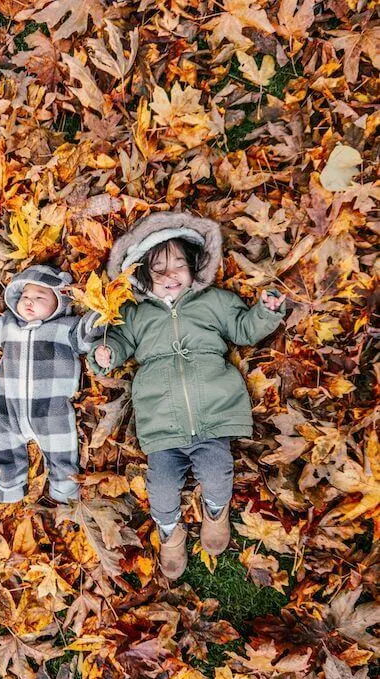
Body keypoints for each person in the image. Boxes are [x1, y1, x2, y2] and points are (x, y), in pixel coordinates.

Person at [88, 212, 286, 580]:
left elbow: (243, 329)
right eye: (159, 268)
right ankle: (170, 532)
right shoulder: (135, 313)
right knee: (160, 487)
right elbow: (117, 343)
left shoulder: (214, 301)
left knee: (217, 470)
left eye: (179, 264)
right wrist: (106, 355)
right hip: (162, 424)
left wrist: (266, 313)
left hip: (212, 416)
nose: (170, 274)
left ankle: (216, 511)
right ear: (142, 274)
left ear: (195, 267)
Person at [0, 265, 98, 504]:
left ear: (60, 302)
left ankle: (64, 490)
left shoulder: (66, 327)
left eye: (40, 297)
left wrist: (101, 317)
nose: (29, 302)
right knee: (2, 442)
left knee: (62, 450)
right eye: (25, 297)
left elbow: (87, 335)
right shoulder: (8, 325)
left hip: (50, 409)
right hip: (8, 407)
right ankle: (9, 486)